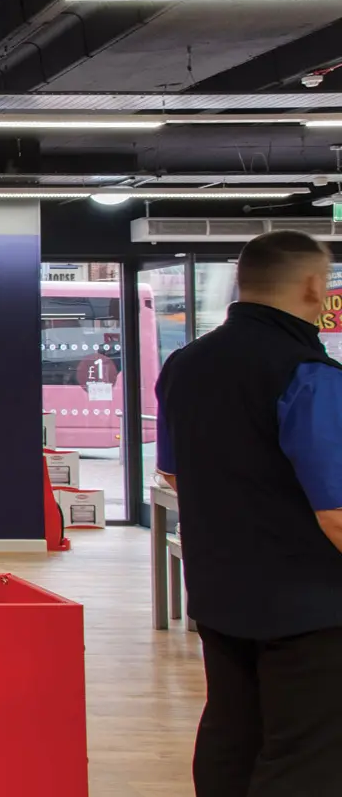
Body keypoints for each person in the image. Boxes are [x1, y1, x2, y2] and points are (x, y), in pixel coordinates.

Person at [155, 230, 342, 796]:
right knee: (305, 752)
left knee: (232, 733)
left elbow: (173, 474)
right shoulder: (309, 374)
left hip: (219, 591)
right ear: (313, 286)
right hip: (309, 607)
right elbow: (336, 511)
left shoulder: (184, 365)